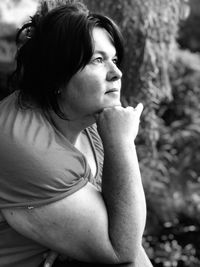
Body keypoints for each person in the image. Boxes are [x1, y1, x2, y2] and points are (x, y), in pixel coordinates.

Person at [0, 1, 153, 266]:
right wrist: (122, 143)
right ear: (57, 74)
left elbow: (122, 227)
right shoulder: (26, 145)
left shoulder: (85, 117)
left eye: (114, 59)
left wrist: (78, 242)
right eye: (98, 60)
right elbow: (122, 250)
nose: (117, 73)